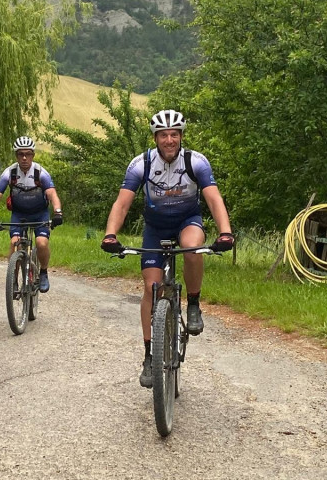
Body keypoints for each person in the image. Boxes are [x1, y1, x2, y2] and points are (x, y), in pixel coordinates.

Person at [100, 109, 234, 388]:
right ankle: (150, 355)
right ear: (156, 138)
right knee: (151, 287)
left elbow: (213, 199)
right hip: (155, 229)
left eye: (174, 134)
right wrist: (110, 234)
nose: (169, 140)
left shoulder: (196, 162)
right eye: (164, 135)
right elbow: (122, 203)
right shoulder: (141, 164)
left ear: (181, 136)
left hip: (187, 221)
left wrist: (225, 232)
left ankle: (194, 304)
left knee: (191, 248)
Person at [0, 136, 63, 293]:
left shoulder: (41, 173)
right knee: (15, 244)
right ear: (16, 156)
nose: (24, 158)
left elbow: (52, 194)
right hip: (19, 214)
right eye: (21, 154)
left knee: (41, 243)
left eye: (28, 154)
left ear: (33, 155)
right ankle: (13, 278)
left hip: (40, 213)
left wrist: (58, 212)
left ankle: (43, 272)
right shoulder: (10, 173)